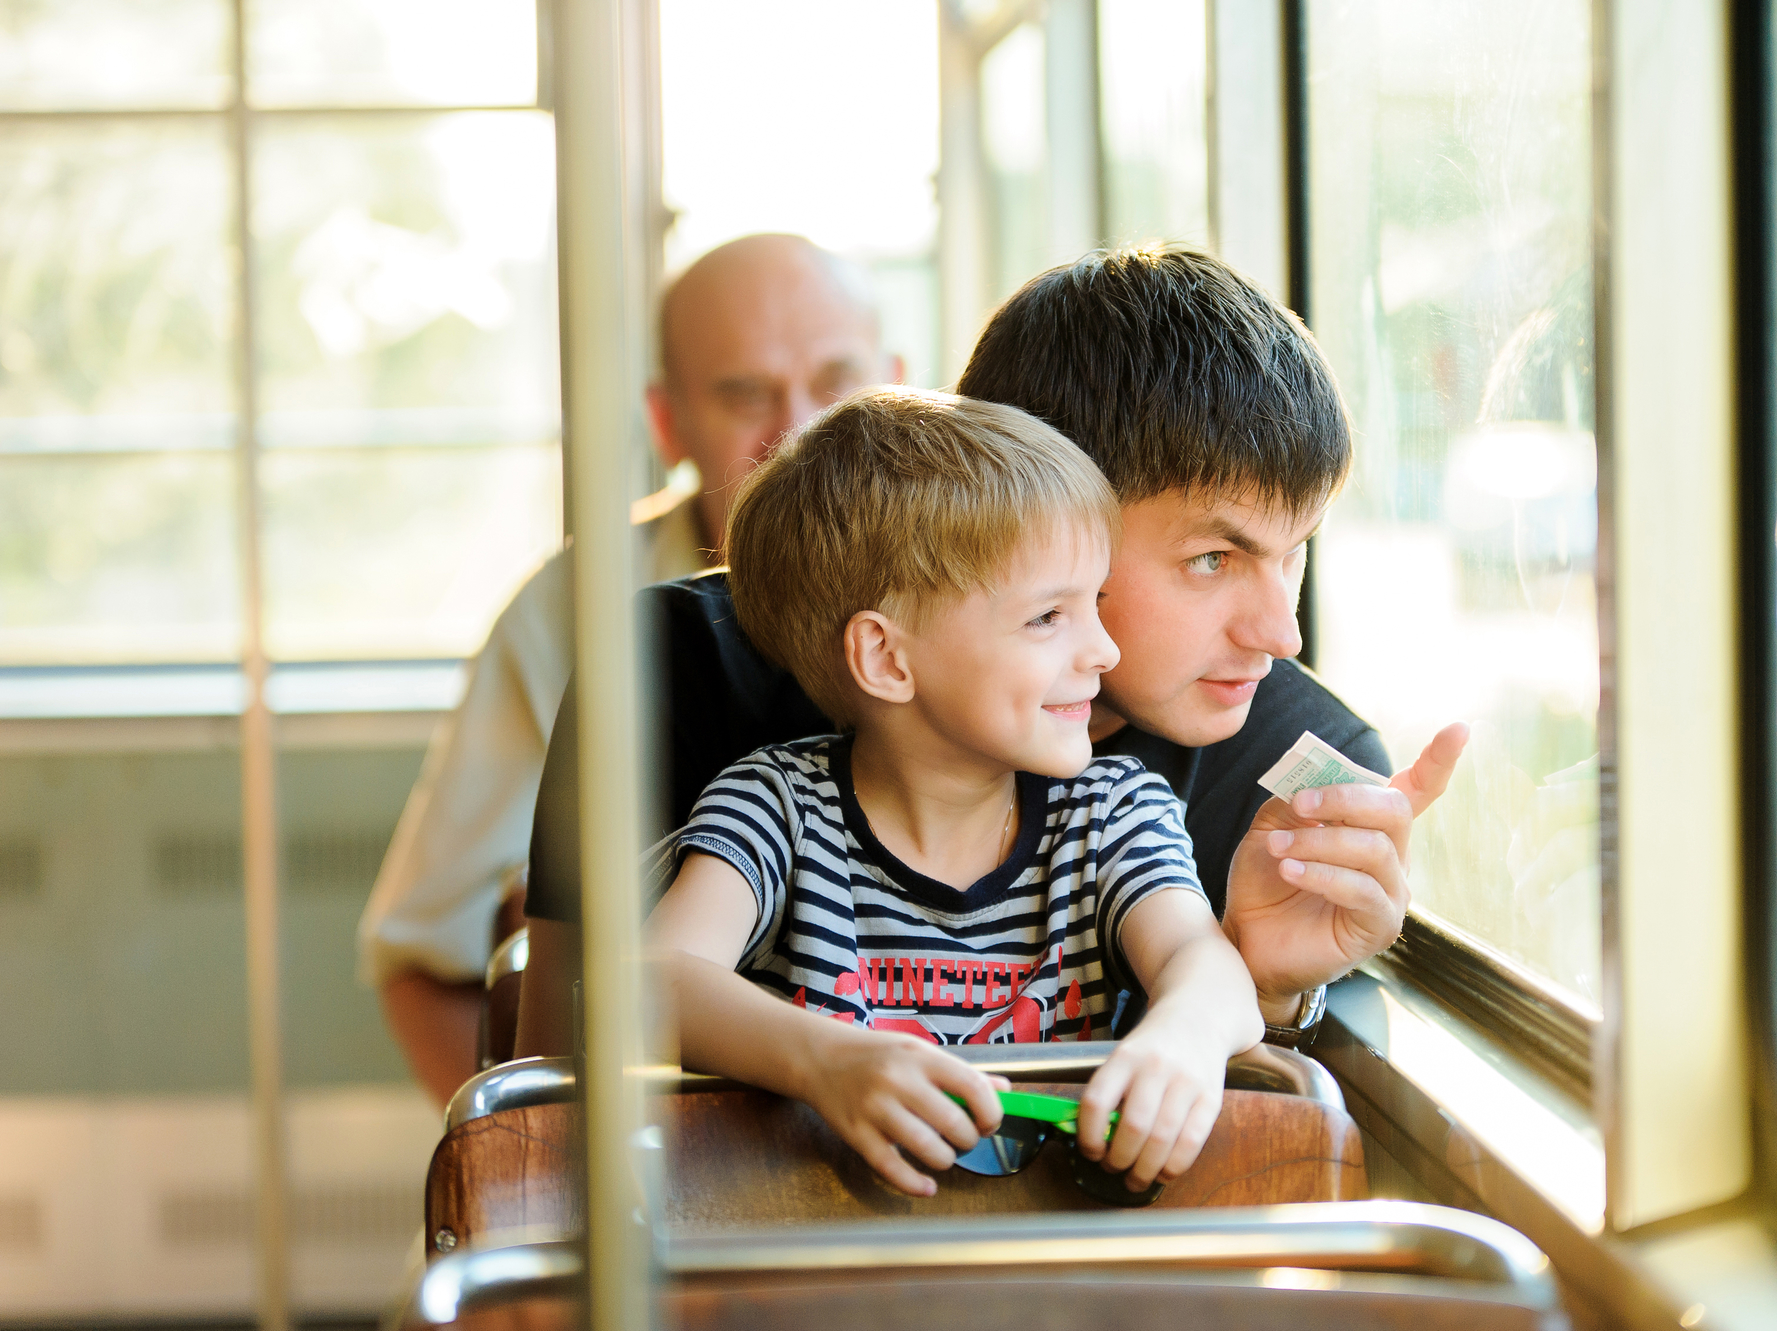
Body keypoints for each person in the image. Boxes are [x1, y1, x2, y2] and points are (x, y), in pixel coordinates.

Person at [516, 245, 1469, 1059]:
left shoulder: (1299, 777)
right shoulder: (676, 668)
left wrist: (1262, 990)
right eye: (1212, 558)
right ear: (1045, 504)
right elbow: (555, 1095)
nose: (1279, 633)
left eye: (1294, 554)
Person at [648, 387, 1263, 1196]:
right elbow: (649, 980)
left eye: (1096, 604)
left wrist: (1182, 1035)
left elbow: (1200, 958)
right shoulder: (778, 809)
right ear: (888, 660)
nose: (1104, 650)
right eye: (1049, 616)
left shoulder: (1110, 813)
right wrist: (824, 1061)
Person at [358, 234, 901, 1108]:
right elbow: (424, 958)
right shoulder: (573, 611)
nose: (800, 428)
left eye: (838, 382)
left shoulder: (996, 598)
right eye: (744, 394)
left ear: (902, 386)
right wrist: (524, 1180)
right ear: (667, 420)